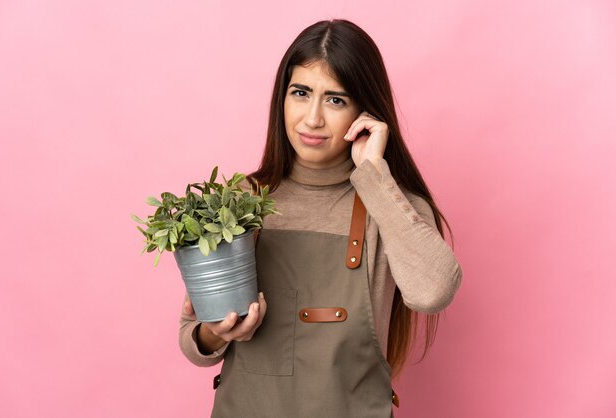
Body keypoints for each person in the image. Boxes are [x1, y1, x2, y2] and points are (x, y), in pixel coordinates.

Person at [179, 19, 462, 417]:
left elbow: (433, 293)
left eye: (335, 100)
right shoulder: (239, 204)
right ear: (282, 97)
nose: (312, 119)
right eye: (301, 93)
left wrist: (375, 179)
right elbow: (193, 340)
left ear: (365, 112)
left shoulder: (394, 205)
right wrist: (214, 332)